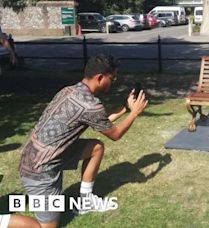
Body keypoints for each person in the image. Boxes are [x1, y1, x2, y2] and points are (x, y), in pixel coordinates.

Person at [18, 54, 148, 228]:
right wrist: (134, 113)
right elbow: (115, 134)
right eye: (113, 78)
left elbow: (101, 121)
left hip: (43, 155)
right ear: (100, 78)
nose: (114, 82)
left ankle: (85, 202)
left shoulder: (70, 90)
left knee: (96, 148)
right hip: (40, 170)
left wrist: (125, 108)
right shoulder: (91, 105)